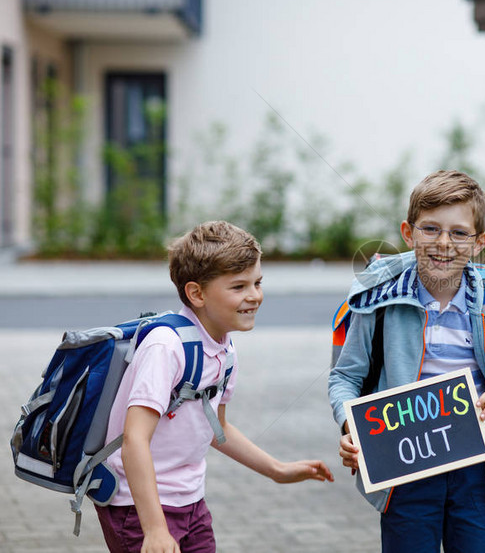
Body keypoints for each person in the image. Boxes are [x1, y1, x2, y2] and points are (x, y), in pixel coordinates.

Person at [329, 170, 485, 552]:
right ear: (408, 233)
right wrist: (351, 425)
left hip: (478, 472)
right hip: (403, 469)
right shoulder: (378, 304)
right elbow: (344, 377)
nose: (444, 243)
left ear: (479, 243)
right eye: (430, 229)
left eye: (459, 233)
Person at [97, 221, 334, 553]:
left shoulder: (224, 347)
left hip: (191, 503)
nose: (254, 296)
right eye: (238, 287)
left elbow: (216, 428)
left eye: (257, 282)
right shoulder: (166, 347)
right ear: (197, 293)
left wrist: (276, 470)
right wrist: (154, 529)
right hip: (140, 510)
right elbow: (134, 439)